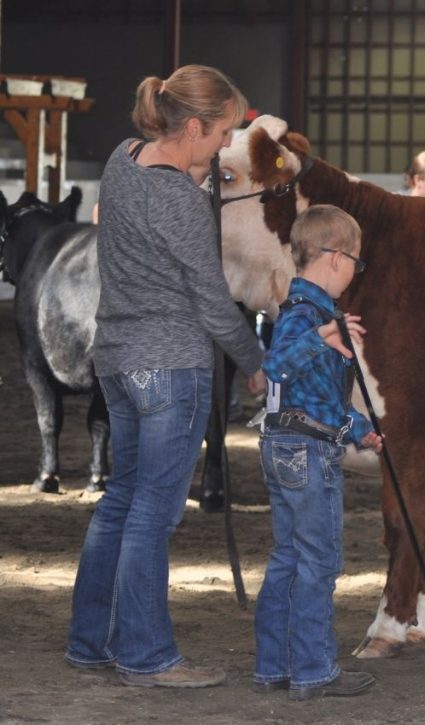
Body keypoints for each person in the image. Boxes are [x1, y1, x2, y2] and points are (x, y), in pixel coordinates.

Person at [65, 65, 266, 687]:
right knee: (154, 514)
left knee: (121, 501)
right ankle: (147, 657)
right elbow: (212, 302)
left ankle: (89, 642)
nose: (226, 146)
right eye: (223, 133)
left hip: (118, 358)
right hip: (171, 365)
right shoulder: (178, 199)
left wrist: (201, 170)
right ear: (196, 126)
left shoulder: (124, 159)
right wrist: (254, 364)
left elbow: (173, 188)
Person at [252, 204, 383, 701]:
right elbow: (277, 366)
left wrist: (359, 429)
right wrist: (322, 336)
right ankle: (313, 670)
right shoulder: (308, 316)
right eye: (356, 262)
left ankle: (274, 666)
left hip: (290, 442)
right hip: (307, 455)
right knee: (318, 562)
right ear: (334, 257)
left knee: (288, 557)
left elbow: (320, 400)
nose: (355, 272)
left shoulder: (302, 311)